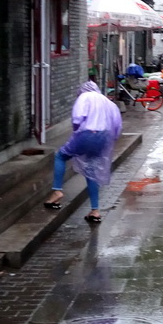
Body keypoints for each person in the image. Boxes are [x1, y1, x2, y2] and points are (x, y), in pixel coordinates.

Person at [43, 79, 123, 223]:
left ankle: (57, 191)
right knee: (91, 171)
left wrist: (76, 134)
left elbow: (77, 118)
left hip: (87, 133)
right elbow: (117, 126)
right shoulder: (108, 102)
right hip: (104, 137)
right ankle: (95, 210)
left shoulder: (84, 97)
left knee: (60, 156)